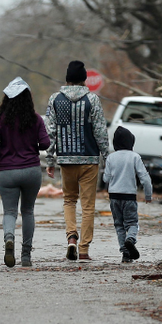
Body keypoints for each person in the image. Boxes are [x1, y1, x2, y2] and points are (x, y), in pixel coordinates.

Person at [45, 60, 110, 261]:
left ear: (67, 79)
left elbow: (51, 132)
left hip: (66, 159)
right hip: (89, 160)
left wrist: (50, 159)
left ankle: (71, 237)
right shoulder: (93, 99)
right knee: (88, 205)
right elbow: (100, 131)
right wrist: (107, 157)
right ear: (84, 79)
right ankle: (83, 249)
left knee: (69, 200)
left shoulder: (55, 99)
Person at [0, 77, 50, 268]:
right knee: (28, 211)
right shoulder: (35, 118)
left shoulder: (0, 118)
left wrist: (2, 145)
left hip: (7, 171)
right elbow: (46, 144)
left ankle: (9, 238)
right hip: (31, 170)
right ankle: (26, 256)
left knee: (10, 211)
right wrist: (33, 145)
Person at [102, 126, 153, 263]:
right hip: (129, 196)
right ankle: (130, 239)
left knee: (119, 225)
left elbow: (105, 178)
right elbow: (145, 178)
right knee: (132, 223)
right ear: (131, 142)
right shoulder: (135, 157)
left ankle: (125, 253)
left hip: (114, 196)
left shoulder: (111, 157)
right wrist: (148, 195)